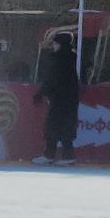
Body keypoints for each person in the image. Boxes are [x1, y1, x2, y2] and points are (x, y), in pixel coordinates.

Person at [33, 31, 81, 166]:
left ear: (61, 44)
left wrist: (41, 93)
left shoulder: (59, 59)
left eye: (55, 43)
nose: (53, 46)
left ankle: (49, 154)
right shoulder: (70, 58)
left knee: (53, 126)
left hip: (60, 99)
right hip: (69, 100)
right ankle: (68, 155)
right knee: (65, 127)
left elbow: (51, 79)